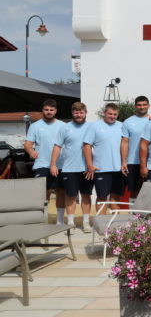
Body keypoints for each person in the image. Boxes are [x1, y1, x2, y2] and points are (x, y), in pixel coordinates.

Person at [50, 102, 93, 231]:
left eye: (81, 112)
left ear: (86, 113)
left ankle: (86, 223)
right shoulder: (65, 128)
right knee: (71, 196)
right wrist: (53, 164)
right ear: (72, 113)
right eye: (76, 112)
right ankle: (70, 223)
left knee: (86, 195)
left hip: (87, 169)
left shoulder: (92, 127)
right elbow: (57, 146)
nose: (79, 115)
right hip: (69, 168)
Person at [24, 99, 66, 224]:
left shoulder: (63, 126)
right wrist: (31, 151)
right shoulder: (35, 126)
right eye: (46, 110)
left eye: (51, 110)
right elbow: (27, 144)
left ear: (55, 111)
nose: (49, 112)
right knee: (43, 193)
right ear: (42, 110)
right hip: (41, 163)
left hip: (61, 164)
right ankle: (43, 220)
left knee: (60, 191)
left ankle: (60, 221)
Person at [83, 103, 124, 214]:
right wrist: (89, 164)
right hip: (101, 169)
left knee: (115, 198)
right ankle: (101, 223)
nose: (112, 116)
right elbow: (87, 146)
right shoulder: (95, 126)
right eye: (110, 114)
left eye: (115, 114)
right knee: (102, 198)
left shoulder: (121, 125)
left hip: (118, 169)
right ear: (104, 113)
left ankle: (116, 226)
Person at [120, 96, 151, 202]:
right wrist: (124, 161)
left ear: (148, 106)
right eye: (139, 105)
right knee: (134, 191)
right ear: (135, 106)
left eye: (144, 104)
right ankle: (133, 217)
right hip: (133, 162)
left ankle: (148, 218)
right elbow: (124, 142)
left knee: (150, 192)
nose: (141, 107)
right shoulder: (128, 122)